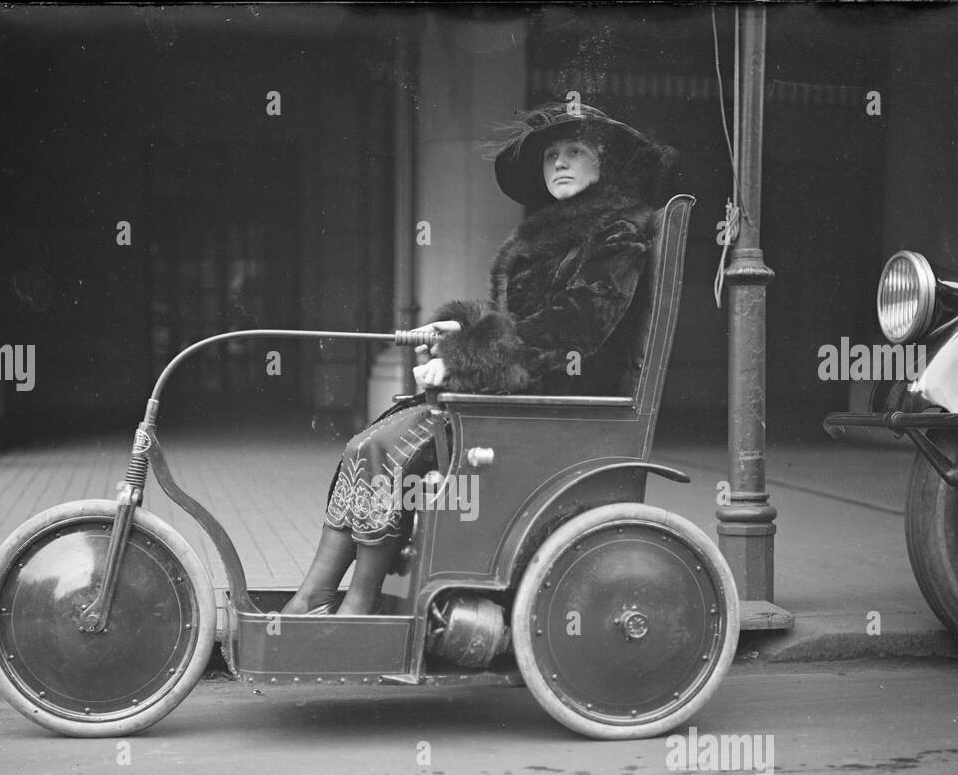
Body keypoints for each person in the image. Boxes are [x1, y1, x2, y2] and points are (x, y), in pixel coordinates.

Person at [282, 102, 676, 615]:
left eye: (575, 151)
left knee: (384, 449)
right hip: (523, 394)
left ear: (607, 164)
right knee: (367, 444)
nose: (559, 162)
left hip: (562, 401)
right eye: (551, 154)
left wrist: (464, 358)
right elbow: (516, 321)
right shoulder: (555, 234)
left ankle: (356, 606)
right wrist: (462, 328)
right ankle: (319, 595)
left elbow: (576, 326)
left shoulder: (616, 233)